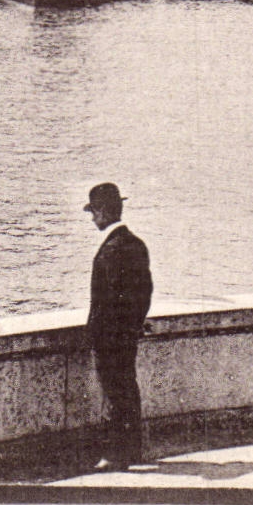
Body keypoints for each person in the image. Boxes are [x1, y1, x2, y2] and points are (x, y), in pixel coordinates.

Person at [84, 181, 152, 472]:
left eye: (93, 212)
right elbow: (144, 292)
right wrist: (133, 326)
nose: (92, 219)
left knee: (113, 393)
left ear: (102, 212)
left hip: (109, 337)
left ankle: (114, 454)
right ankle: (132, 450)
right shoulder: (136, 244)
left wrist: (99, 333)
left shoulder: (111, 250)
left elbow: (108, 300)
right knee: (128, 389)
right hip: (127, 336)